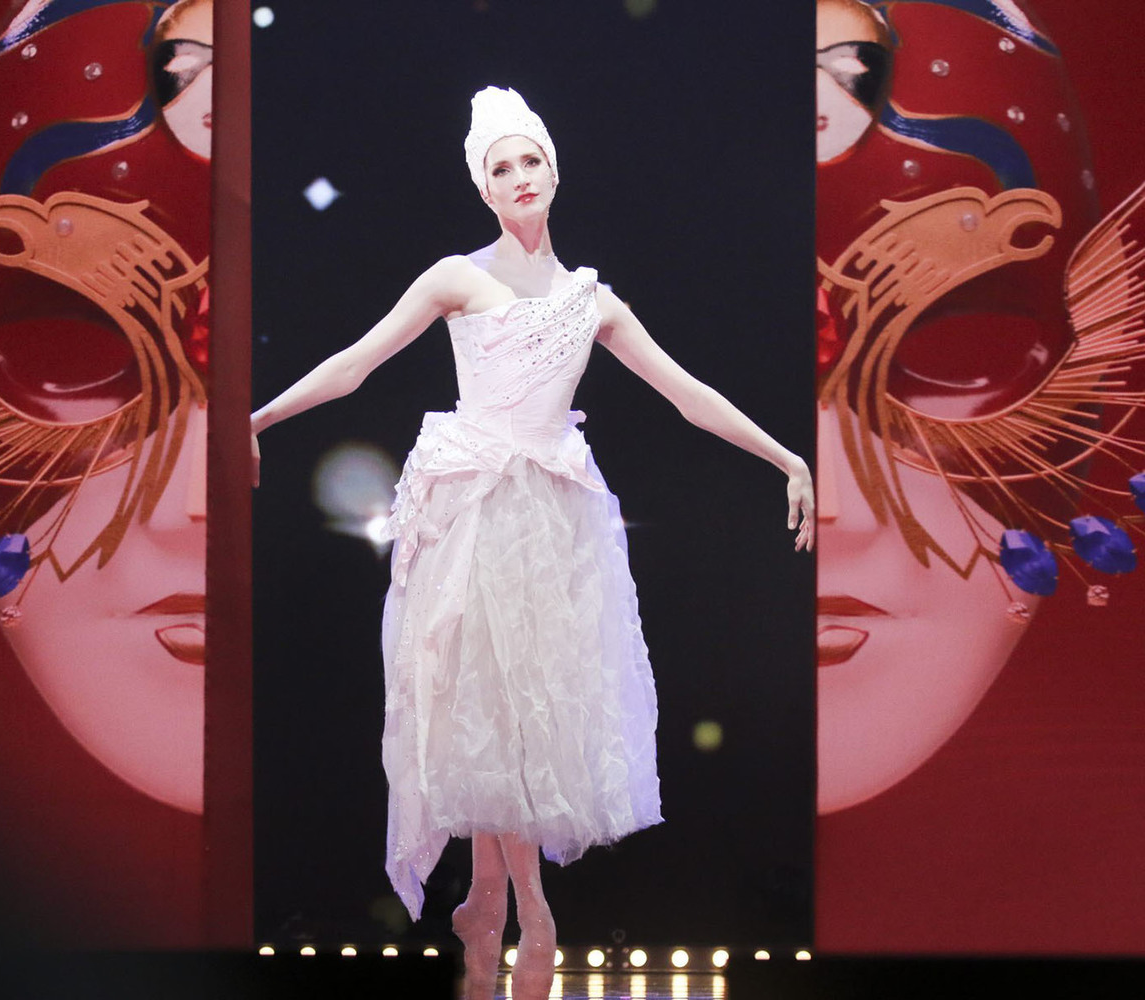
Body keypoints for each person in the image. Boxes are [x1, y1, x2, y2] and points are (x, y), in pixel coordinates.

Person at [249, 87, 814, 1000]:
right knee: (480, 697)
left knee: (520, 710)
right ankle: (531, 910)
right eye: (501, 167)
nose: (519, 177)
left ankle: (483, 901)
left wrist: (788, 457)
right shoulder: (456, 277)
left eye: (531, 161)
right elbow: (356, 363)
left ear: (555, 172)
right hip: (470, 507)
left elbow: (688, 394)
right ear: (483, 187)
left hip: (551, 519)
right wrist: (257, 420)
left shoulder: (592, 302)